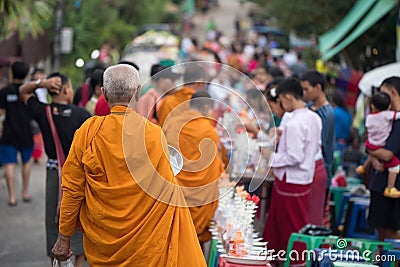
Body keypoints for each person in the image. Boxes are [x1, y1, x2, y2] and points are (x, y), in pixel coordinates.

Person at [51, 64, 206, 266]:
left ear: (104, 94)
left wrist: (64, 238)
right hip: (146, 244)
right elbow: (166, 192)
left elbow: (72, 189)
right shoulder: (152, 134)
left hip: (103, 243)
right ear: (138, 91)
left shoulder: (88, 132)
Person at [19, 73, 89, 266]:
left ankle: (55, 262)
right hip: (78, 173)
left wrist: (41, 83)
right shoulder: (81, 115)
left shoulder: (44, 111)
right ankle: (79, 262)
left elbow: (22, 91)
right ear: (67, 90)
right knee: (78, 219)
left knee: (54, 219)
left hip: (54, 173)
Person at [262, 78, 322, 261]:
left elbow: (295, 156)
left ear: (288, 97)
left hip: (292, 180)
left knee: (290, 226)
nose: (281, 105)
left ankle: (294, 262)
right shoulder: (312, 117)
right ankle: (279, 259)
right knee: (280, 225)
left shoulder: (296, 122)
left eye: (281, 100)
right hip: (301, 178)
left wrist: (269, 157)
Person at [163, 90, 225, 249]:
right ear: (205, 106)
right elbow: (211, 167)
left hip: (175, 189)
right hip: (199, 195)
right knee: (194, 244)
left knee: (173, 236)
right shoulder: (208, 130)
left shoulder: (172, 123)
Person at [366, 77, 400, 241]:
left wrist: (371, 151)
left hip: (393, 185)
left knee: (391, 232)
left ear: (392, 92)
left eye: (383, 92)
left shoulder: (397, 120)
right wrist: (372, 154)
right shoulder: (382, 118)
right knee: (380, 229)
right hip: (379, 183)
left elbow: (388, 154)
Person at [301, 70, 334, 226]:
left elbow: (325, 146)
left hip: (318, 169)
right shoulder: (308, 107)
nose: (304, 93)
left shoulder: (326, 114)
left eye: (306, 89)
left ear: (318, 87)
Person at [0, 61, 33, 206]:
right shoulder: (29, 91)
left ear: (11, 73)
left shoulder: (4, 92)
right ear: (26, 74)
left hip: (9, 133)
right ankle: (25, 192)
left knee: (9, 164)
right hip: (26, 132)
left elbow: (0, 113)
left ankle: (12, 197)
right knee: (26, 162)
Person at [357, 92, 400, 198]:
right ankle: (390, 188)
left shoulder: (369, 118)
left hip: (370, 143)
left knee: (371, 154)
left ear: (372, 105)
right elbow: (387, 156)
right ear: (389, 106)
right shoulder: (387, 115)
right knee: (395, 165)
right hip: (380, 146)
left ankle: (363, 168)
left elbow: (367, 131)